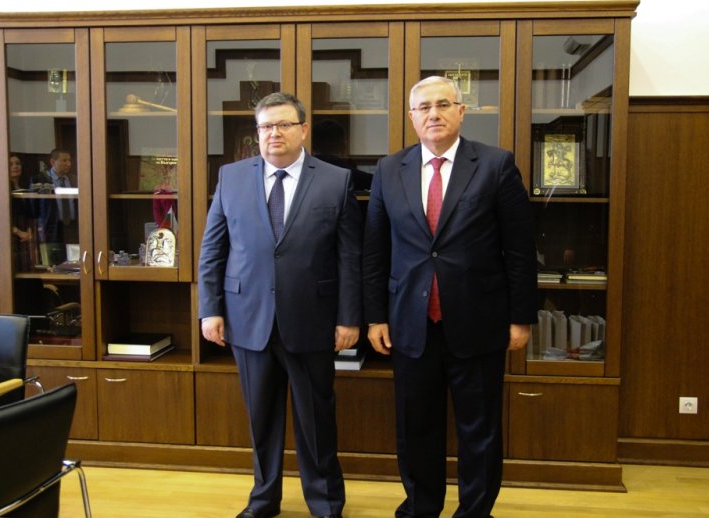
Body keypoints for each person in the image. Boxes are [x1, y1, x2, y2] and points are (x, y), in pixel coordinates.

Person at [362, 76, 537, 518]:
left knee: (479, 430)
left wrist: (520, 317)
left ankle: (474, 512)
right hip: (410, 323)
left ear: (461, 112)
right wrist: (375, 316)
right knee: (415, 426)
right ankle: (421, 508)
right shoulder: (389, 170)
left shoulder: (495, 165)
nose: (433, 114)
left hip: (479, 322)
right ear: (412, 117)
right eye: (424, 107)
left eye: (443, 104)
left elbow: (519, 249)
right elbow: (375, 251)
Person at [198, 92, 362, 518]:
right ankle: (264, 499)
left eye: (284, 125)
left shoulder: (335, 180)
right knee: (261, 420)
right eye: (266, 126)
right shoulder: (231, 177)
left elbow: (349, 255)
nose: (274, 133)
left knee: (316, 420)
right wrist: (209, 308)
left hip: (312, 320)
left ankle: (325, 503)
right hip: (247, 319)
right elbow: (212, 248)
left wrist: (349, 317)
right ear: (257, 133)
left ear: (303, 129)